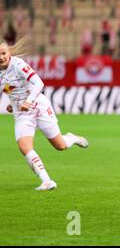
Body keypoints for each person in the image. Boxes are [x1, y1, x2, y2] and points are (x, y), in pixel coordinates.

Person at [0, 38, 88, 191]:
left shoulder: (18, 64)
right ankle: (47, 181)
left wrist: (28, 101)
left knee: (60, 145)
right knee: (24, 146)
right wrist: (11, 104)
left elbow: (39, 83)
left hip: (39, 106)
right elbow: (10, 88)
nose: (1, 57)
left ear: (9, 53)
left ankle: (73, 138)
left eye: (3, 53)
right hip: (22, 113)